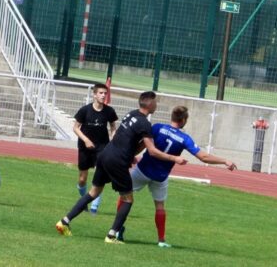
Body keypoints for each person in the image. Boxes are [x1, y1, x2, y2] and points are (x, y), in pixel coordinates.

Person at [55, 91, 188, 244]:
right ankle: (111, 236)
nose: (156, 105)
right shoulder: (145, 124)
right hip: (117, 161)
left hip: (105, 155)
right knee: (128, 199)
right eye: (155, 102)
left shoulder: (131, 114)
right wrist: (175, 158)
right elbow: (151, 150)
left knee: (93, 192)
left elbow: (128, 138)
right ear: (150, 104)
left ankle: (64, 222)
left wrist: (130, 154)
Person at [120, 105, 237, 247]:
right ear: (183, 120)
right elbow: (204, 157)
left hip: (143, 170)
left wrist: (130, 156)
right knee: (160, 207)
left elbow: (143, 145)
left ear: (173, 117)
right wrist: (225, 160)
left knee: (125, 197)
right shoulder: (184, 138)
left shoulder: (157, 128)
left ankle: (118, 228)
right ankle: (161, 240)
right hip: (160, 177)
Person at [73, 83, 118, 214]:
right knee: (82, 179)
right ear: (94, 94)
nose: (103, 95)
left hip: (102, 147)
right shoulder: (85, 110)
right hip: (85, 147)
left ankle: (94, 207)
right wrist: (86, 140)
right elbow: (75, 128)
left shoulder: (109, 111)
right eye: (101, 93)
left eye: (105, 93)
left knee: (100, 177)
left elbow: (113, 127)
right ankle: (84, 201)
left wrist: (113, 140)